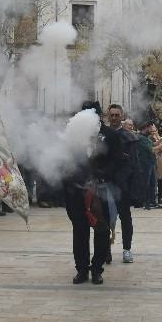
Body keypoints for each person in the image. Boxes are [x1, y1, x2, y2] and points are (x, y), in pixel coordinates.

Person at [64, 101, 124, 286]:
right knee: (80, 231)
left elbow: (117, 161)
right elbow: (65, 162)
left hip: (101, 190)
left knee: (101, 231)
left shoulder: (110, 135)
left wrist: (101, 175)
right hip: (77, 191)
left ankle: (97, 269)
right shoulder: (73, 136)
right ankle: (81, 269)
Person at [106, 105, 136, 264]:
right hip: (105, 184)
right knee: (106, 219)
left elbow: (133, 162)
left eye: (117, 115)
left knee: (125, 218)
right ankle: (106, 249)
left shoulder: (128, 137)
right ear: (108, 116)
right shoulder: (102, 134)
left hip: (123, 184)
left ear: (121, 115)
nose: (115, 117)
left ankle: (127, 249)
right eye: (112, 115)